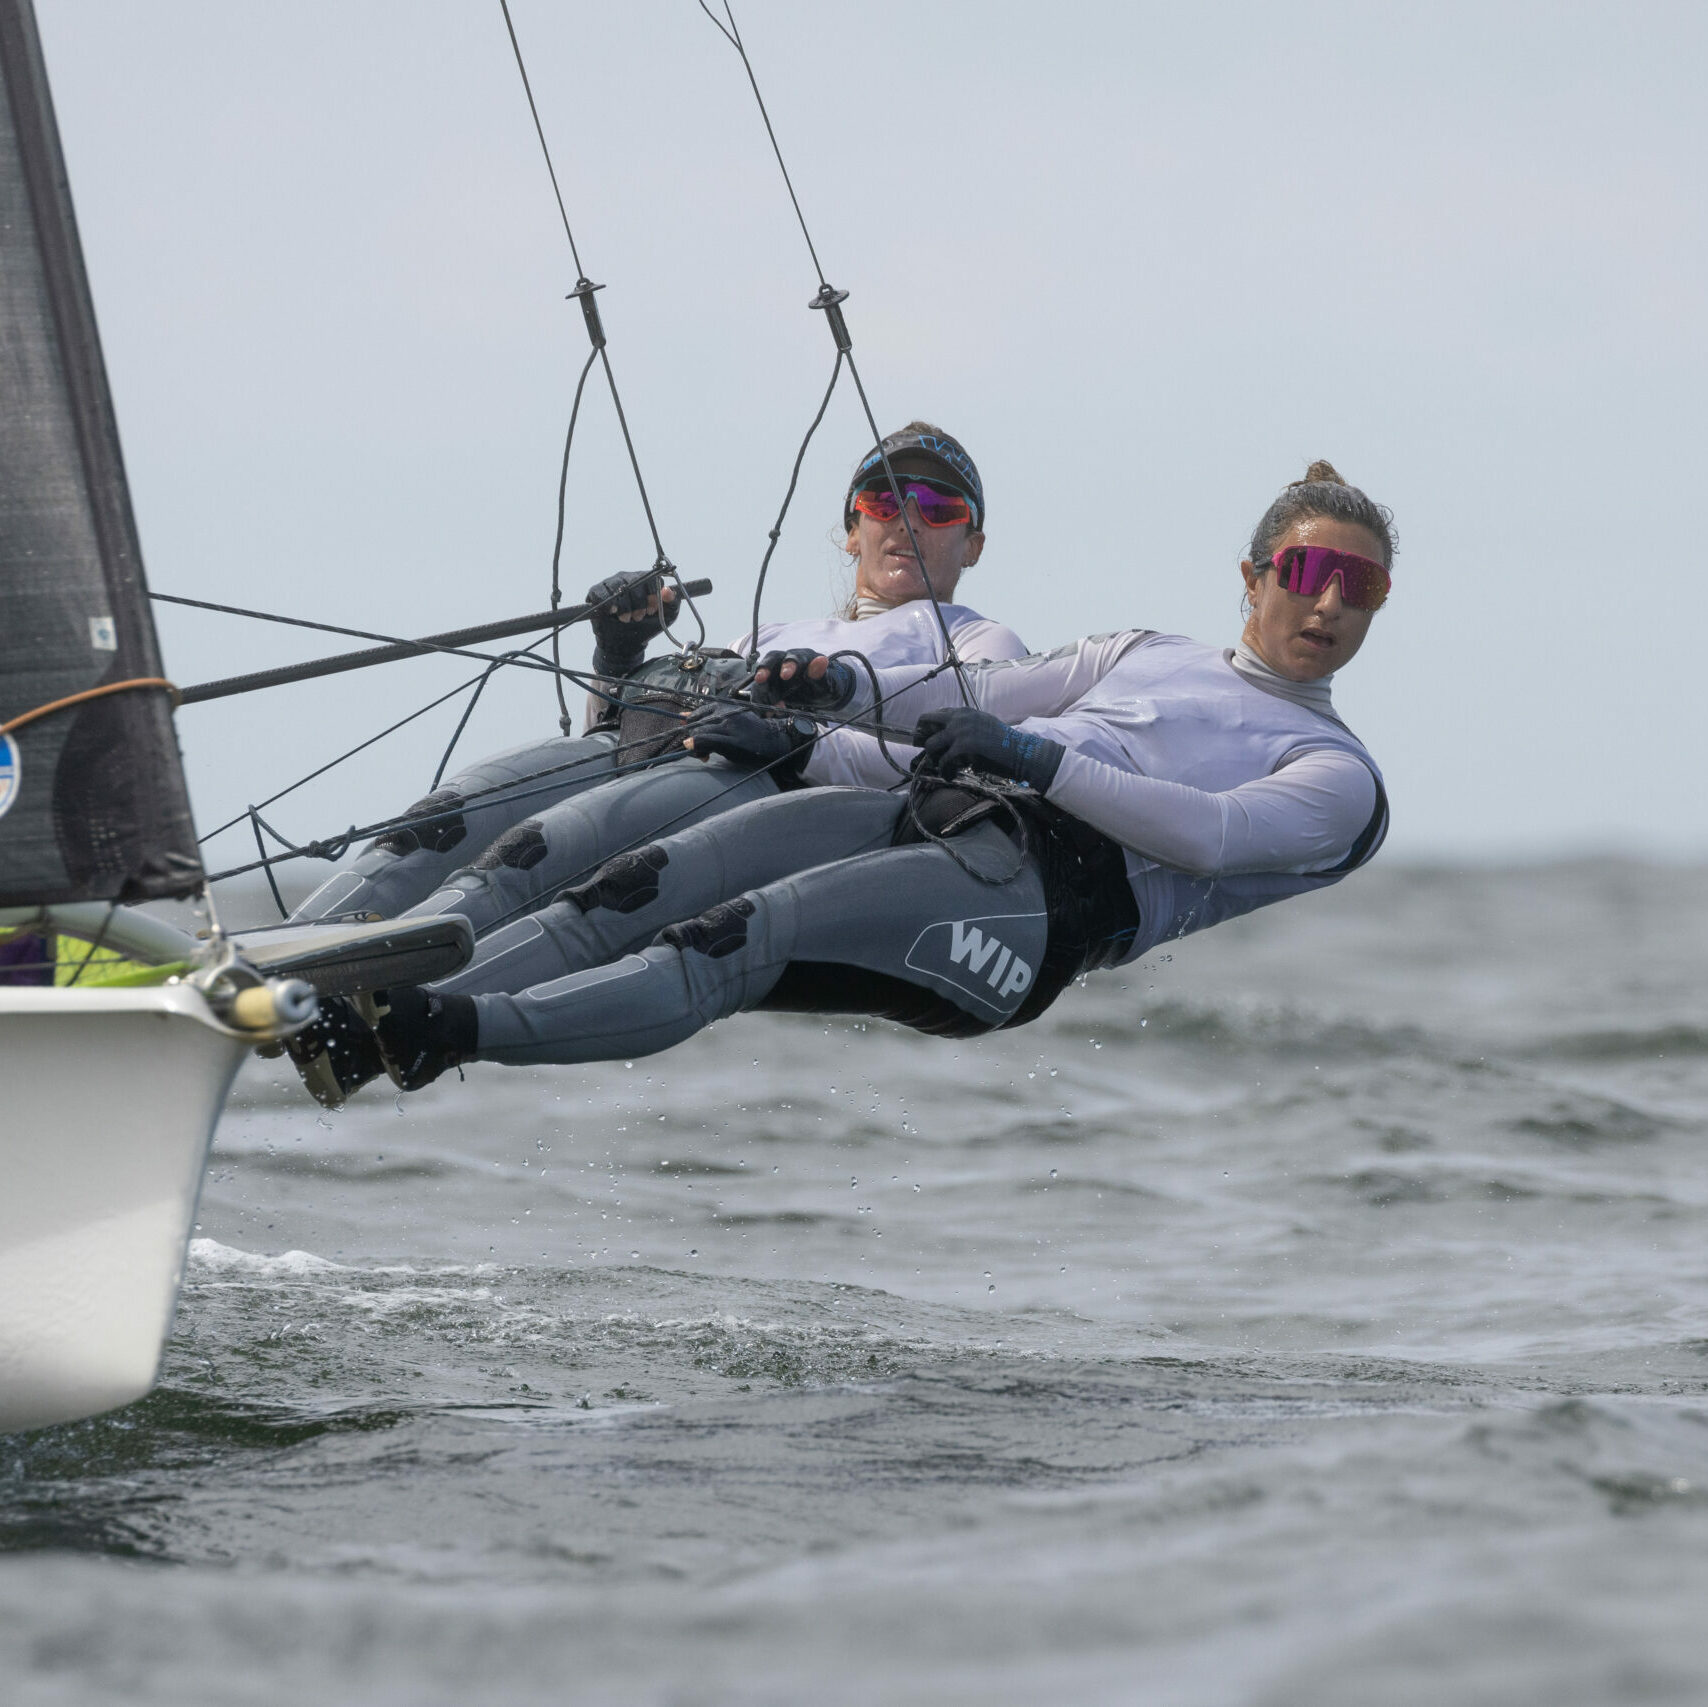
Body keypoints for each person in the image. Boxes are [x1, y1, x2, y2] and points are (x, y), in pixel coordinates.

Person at [299, 460, 1393, 1102]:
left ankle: (441, 1032)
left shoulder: (1336, 776)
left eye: (1359, 586)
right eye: (1307, 572)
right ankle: (366, 1019)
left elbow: (1201, 834)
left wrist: (1041, 760)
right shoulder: (1140, 649)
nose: (1328, 603)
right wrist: (826, 688)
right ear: (1254, 578)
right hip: (930, 822)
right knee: (635, 887)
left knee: (730, 937)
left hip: (1034, 911)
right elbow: (983, 696)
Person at [285, 423, 1026, 1104]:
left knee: (533, 857)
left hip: (753, 796)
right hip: (637, 765)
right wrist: (619, 655)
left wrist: (810, 740)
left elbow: (948, 766)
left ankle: (361, 1019)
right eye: (885, 498)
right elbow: (625, 729)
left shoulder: (986, 644)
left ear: (976, 544)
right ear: (851, 529)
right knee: (443, 821)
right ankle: (294, 955)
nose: (907, 519)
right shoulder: (773, 631)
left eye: (939, 508)